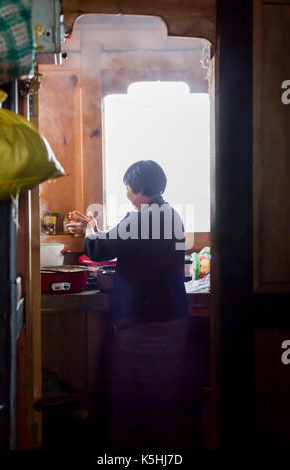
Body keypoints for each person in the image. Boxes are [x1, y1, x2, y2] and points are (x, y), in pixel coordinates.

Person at [68, 160, 188, 449]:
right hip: (172, 315)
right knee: (164, 391)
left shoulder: (142, 218)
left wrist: (90, 231)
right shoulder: (170, 214)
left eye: (126, 188)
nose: (126, 194)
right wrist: (95, 229)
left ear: (137, 189)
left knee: (134, 394)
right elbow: (125, 243)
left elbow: (98, 249)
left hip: (144, 319)